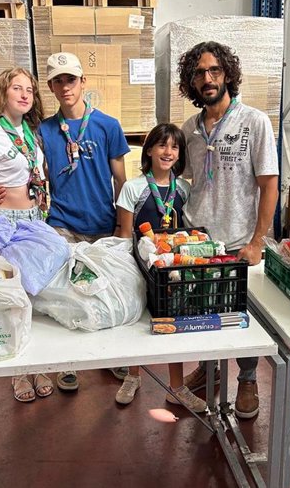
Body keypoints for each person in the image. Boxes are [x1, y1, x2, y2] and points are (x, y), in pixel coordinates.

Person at [0, 52, 131, 391]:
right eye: (58, 81)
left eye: (71, 79)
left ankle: (114, 358)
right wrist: (1, 190)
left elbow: (122, 181)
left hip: (102, 224)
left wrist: (121, 227)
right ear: (50, 88)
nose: (65, 86)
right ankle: (69, 363)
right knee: (66, 298)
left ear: (83, 82)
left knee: (107, 292)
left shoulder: (108, 126)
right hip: (62, 225)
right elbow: (32, 174)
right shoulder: (43, 132)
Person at [177, 41, 279, 419]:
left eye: (214, 71)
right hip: (199, 240)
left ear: (227, 75)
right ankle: (208, 370)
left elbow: (269, 183)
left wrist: (257, 242)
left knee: (241, 314)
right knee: (203, 309)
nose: (207, 79)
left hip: (238, 241)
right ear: (192, 82)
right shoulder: (189, 128)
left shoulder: (254, 122)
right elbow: (184, 180)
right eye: (199, 73)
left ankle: (248, 379)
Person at [0, 67, 54, 403]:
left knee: (34, 294)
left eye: (29, 90)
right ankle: (18, 373)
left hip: (35, 218)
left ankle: (39, 364)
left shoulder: (31, 133)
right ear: (3, 93)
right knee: (11, 299)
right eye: (17, 88)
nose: (24, 95)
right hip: (7, 222)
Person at [113, 123, 206, 413]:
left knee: (172, 322)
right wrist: (126, 266)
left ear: (180, 154)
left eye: (174, 147)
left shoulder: (184, 188)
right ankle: (132, 376)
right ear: (150, 150)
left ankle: (176, 388)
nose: (168, 152)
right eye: (162, 145)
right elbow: (125, 233)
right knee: (135, 323)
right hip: (140, 264)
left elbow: (186, 230)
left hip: (171, 267)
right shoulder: (133, 188)